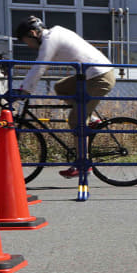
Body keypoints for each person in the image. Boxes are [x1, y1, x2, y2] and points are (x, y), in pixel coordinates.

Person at [9, 16, 116, 177]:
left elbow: (39, 67)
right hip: (93, 74)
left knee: (76, 120)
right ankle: (92, 120)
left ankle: (83, 165)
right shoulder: (55, 33)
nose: (28, 46)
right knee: (61, 87)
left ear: (33, 33)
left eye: (26, 41)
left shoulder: (50, 39)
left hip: (99, 77)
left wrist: (23, 91)